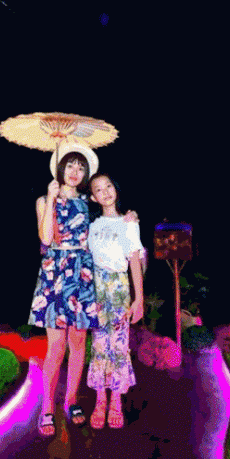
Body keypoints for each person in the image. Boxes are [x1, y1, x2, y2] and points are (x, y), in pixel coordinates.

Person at [29, 143, 136, 436]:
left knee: (78, 343)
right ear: (60, 168)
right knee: (55, 347)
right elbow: (46, 238)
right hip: (55, 273)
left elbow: (108, 222)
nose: (75, 172)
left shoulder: (88, 204)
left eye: (80, 167)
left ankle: (72, 400)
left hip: (84, 274)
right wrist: (52, 198)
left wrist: (129, 218)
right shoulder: (44, 199)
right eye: (70, 165)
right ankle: (47, 407)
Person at [85, 173, 144, 429]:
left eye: (108, 186)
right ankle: (100, 401)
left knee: (119, 344)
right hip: (97, 288)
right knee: (100, 344)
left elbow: (134, 262)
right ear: (93, 197)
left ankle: (116, 401)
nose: (105, 191)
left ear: (115, 189)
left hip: (119, 287)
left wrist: (138, 299)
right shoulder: (92, 226)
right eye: (99, 189)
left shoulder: (128, 222)